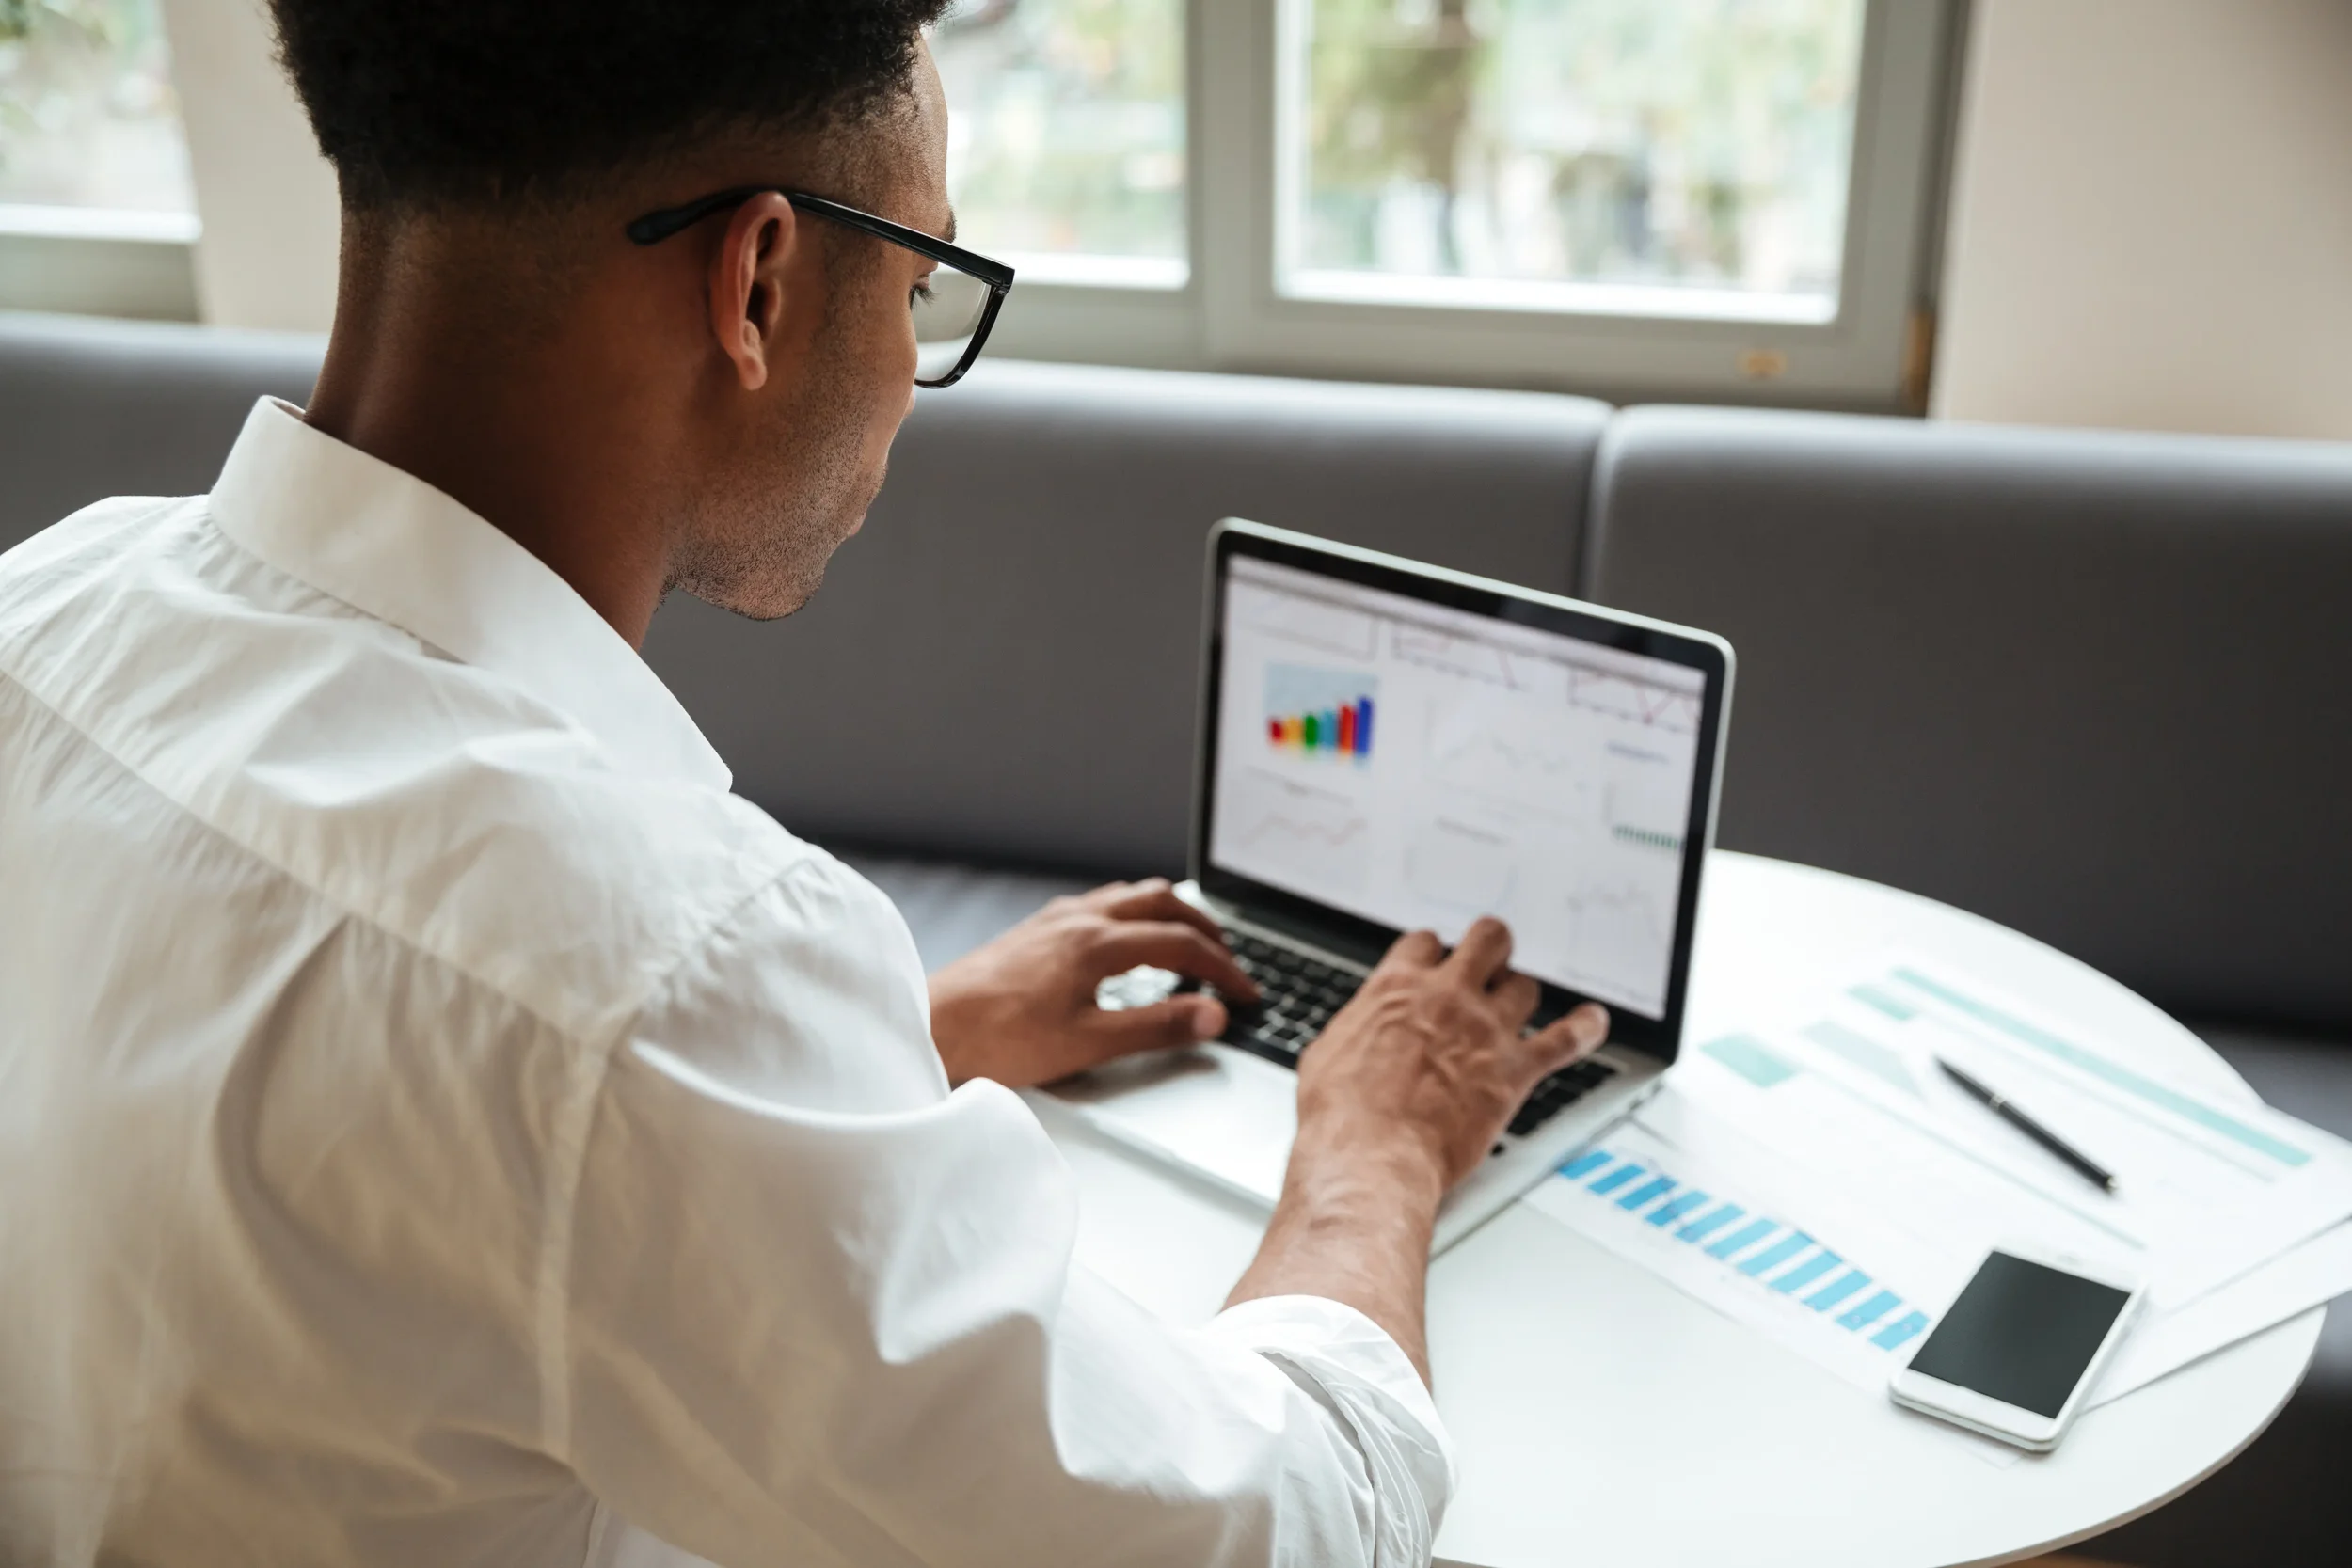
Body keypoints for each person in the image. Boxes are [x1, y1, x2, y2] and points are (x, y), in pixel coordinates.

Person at [0, 4, 1608, 1564]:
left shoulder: (43, 614)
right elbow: (1281, 1529)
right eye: (920, 283)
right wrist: (1377, 1144)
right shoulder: (652, 970)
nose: (911, 361)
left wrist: (889, 1048)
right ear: (758, 281)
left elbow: (375, 1151)